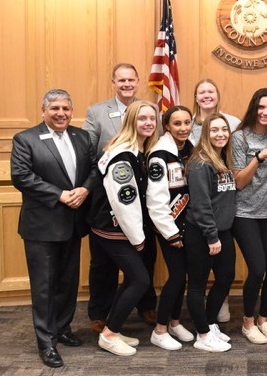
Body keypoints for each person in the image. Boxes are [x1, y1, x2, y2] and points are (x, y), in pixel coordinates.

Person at [10, 89, 96, 367]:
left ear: (72, 111)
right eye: (55, 108)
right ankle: (46, 342)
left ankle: (62, 328)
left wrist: (85, 189)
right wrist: (58, 194)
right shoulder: (26, 139)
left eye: (66, 109)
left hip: (73, 223)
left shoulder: (81, 136)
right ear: (43, 110)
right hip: (42, 226)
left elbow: (96, 168)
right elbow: (21, 176)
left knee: (68, 283)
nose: (61, 113)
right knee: (44, 286)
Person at [83, 63, 158, 332]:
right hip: (111, 206)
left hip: (140, 203)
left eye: (131, 80)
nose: (126, 84)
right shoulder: (98, 113)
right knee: (105, 266)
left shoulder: (149, 110)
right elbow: (90, 154)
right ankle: (102, 317)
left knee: (143, 265)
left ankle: (142, 306)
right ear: (113, 82)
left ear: (138, 82)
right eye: (121, 80)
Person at [231, 88, 267, 344]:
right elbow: (239, 182)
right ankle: (247, 321)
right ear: (254, 108)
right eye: (261, 107)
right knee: (257, 269)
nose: (265, 112)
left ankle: (263, 318)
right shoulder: (239, 137)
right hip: (244, 214)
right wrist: (258, 157)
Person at [185, 113, 236, 352]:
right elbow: (201, 203)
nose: (220, 134)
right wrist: (211, 236)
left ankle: (209, 323)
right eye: (214, 130)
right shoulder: (200, 163)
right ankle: (203, 335)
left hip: (223, 231)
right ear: (205, 133)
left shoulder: (222, 158)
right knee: (197, 284)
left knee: (225, 278)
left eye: (224, 129)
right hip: (202, 233)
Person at [146, 106, 195, 350]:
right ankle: (160, 328)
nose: (183, 128)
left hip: (189, 224)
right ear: (166, 126)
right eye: (177, 124)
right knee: (176, 276)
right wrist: (170, 232)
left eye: (187, 122)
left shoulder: (190, 148)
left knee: (183, 275)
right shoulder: (159, 155)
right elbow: (155, 200)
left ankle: (175, 322)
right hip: (170, 226)